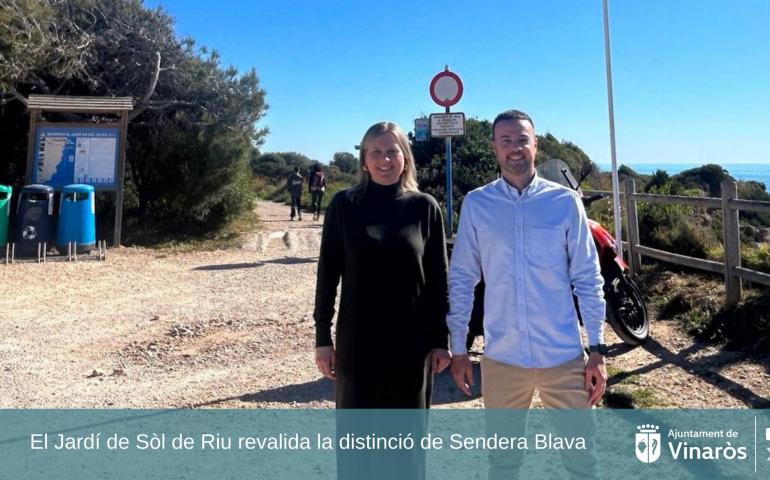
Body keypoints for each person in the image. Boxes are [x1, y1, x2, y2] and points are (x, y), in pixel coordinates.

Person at [446, 109, 606, 478]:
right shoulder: (477, 204)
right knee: (503, 464)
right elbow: (462, 279)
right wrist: (458, 349)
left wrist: (597, 351)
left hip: (564, 358)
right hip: (503, 359)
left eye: (522, 140)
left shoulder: (566, 203)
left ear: (535, 144)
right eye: (506, 141)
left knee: (582, 462)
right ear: (494, 149)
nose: (514, 148)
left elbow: (587, 277)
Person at [314, 121, 450, 407]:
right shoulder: (343, 205)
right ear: (364, 159)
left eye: (392, 151)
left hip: (412, 344)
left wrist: (441, 339)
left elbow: (439, 282)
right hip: (357, 340)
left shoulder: (425, 208)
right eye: (375, 152)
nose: (384, 159)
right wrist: (323, 339)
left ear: (405, 158)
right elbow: (327, 277)